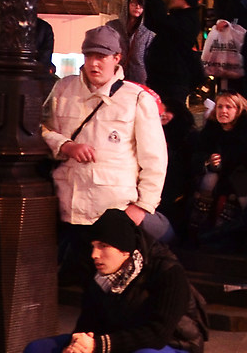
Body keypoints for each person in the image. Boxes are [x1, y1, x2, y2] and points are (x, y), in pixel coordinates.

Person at [21, 208, 197, 353]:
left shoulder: (167, 273)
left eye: (103, 246)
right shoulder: (98, 278)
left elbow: (158, 333)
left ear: (125, 251)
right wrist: (80, 347)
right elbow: (88, 323)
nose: (94, 254)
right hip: (115, 350)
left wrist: (99, 346)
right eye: (93, 246)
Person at [39, 26, 168, 276]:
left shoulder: (137, 98)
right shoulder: (63, 90)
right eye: (89, 56)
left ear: (116, 58)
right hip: (68, 208)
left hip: (114, 212)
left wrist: (141, 208)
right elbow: (40, 131)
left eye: (102, 57)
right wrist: (65, 145)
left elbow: (155, 160)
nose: (94, 64)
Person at [181, 91, 247, 249]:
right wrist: (208, 160)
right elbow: (196, 157)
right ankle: (197, 228)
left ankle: (225, 232)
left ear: (238, 110)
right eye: (220, 106)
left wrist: (226, 161)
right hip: (214, 181)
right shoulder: (210, 130)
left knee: (237, 182)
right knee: (210, 179)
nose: (223, 111)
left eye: (229, 107)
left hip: (240, 181)